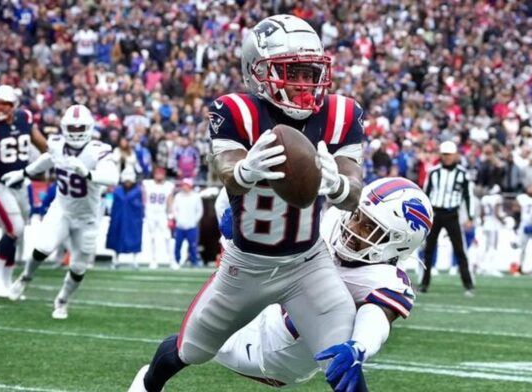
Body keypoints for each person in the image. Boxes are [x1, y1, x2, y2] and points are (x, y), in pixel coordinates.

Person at [129, 15, 365, 392]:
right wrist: (245, 171)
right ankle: (145, 383)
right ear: (258, 72)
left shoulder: (342, 114)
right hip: (247, 265)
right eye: (291, 72)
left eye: (309, 73)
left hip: (308, 263)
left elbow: (354, 190)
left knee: (342, 357)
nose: (303, 84)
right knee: (191, 349)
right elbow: (226, 169)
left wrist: (337, 184)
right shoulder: (236, 110)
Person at [209, 177, 433, 389]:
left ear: (398, 245)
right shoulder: (335, 219)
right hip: (256, 317)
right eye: (357, 216)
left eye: (369, 227)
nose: (353, 228)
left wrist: (359, 347)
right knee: (234, 203)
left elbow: (377, 318)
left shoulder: (386, 279)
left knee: (336, 304)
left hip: (273, 358)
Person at [4, 104, 118, 318]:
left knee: (78, 267)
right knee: (43, 247)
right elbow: (48, 159)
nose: (75, 132)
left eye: (80, 128)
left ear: (89, 127)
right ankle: (25, 278)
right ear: (65, 128)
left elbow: (113, 177)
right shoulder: (56, 144)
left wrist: (88, 173)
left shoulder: (97, 151)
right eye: (72, 128)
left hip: (88, 218)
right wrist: (24, 173)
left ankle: (62, 300)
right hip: (62, 209)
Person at [0, 85, 47, 298]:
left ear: (14, 105)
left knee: (15, 234)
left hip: (21, 183)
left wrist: (57, 158)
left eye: (5, 103)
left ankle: (5, 280)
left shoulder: (25, 118)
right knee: (14, 229)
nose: (1, 108)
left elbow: (41, 143)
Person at [420, 140, 474, 295]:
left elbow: (468, 196)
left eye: (449, 155)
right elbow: (426, 194)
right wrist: (425, 215)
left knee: (459, 250)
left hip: (452, 214)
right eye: (444, 154)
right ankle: (424, 283)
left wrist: (470, 216)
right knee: (429, 249)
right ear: (441, 155)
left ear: (455, 155)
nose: (447, 157)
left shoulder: (462, 174)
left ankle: (468, 284)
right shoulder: (434, 172)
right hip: (435, 214)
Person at [106, 167, 144, 269]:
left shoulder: (138, 191)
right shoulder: (117, 191)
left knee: (134, 239)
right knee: (116, 239)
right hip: (119, 219)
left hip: (133, 220)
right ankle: (116, 259)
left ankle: (134, 260)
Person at [141, 167, 174, 269]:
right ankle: (153, 260)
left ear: (164, 175)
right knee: (152, 238)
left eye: (161, 174)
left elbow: (169, 201)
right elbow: (143, 198)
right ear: (154, 174)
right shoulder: (147, 184)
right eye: (157, 173)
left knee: (167, 237)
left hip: (162, 213)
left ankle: (172, 260)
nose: (159, 176)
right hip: (150, 213)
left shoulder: (169, 186)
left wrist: (170, 216)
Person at [171, 178, 203, 268]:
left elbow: (199, 211)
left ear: (190, 186)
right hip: (180, 226)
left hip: (192, 226)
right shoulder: (178, 196)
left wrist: (194, 221)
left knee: (193, 246)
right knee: (178, 245)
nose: (184, 187)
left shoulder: (196, 196)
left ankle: (194, 261)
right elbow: (174, 209)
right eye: (183, 185)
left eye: (186, 185)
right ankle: (176, 261)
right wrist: (178, 219)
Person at [514, 185, 532, 274]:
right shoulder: (522, 198)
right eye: (530, 187)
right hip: (524, 225)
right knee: (522, 247)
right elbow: (515, 208)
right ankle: (520, 266)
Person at [478, 184, 504, 275]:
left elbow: (481, 213)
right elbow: (496, 212)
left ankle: (481, 266)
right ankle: (490, 267)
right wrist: (503, 221)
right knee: (493, 247)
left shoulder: (484, 198)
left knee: (485, 247)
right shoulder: (497, 198)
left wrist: (482, 222)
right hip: (494, 224)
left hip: (486, 223)